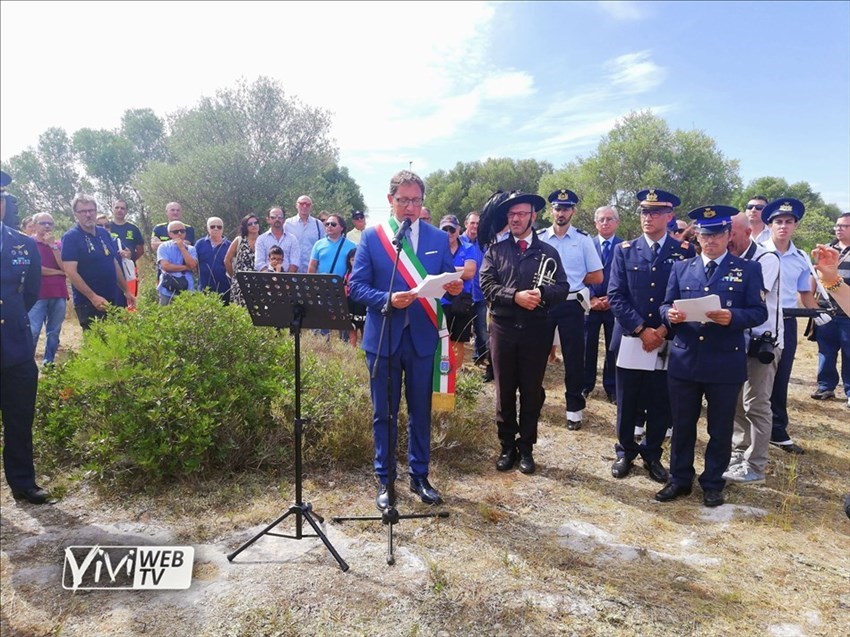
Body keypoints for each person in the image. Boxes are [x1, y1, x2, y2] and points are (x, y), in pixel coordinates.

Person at [348, 170, 463, 510]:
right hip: (383, 337)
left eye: (415, 201)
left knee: (420, 412)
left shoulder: (437, 239)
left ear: (422, 203)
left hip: (422, 338)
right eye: (403, 200)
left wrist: (453, 288)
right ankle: (385, 480)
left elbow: (446, 283)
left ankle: (419, 476)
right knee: (384, 413)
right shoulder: (372, 238)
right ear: (390, 201)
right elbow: (356, 287)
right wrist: (388, 299)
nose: (410, 207)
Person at [658, 206, 767, 507]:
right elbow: (664, 306)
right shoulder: (682, 268)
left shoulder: (747, 269)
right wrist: (671, 315)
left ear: (728, 235)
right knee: (682, 425)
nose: (711, 241)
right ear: (698, 236)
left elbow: (759, 312)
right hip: (685, 359)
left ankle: (713, 482)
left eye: (717, 234)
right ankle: (679, 479)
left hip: (724, 361)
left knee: (719, 428)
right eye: (705, 235)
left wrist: (732, 316)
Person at [607, 188, 695, 484]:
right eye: (644, 212)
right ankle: (625, 451)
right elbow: (616, 296)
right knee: (627, 400)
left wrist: (663, 330)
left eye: (655, 212)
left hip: (666, 339)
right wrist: (642, 330)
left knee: (661, 402)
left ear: (670, 217)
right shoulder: (625, 250)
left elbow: (686, 295)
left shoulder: (683, 252)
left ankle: (652, 453)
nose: (648, 217)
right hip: (632, 339)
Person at [479, 191, 570, 474]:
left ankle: (526, 448)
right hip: (503, 330)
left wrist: (541, 293)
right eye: (511, 214)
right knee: (504, 392)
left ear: (533, 216)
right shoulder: (495, 251)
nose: (515, 219)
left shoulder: (549, 253)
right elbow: (486, 285)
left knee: (532, 392)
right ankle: (507, 447)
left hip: (535, 331)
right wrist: (514, 296)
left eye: (521, 214)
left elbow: (563, 287)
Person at [1, 171, 51, 504]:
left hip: (15, 345)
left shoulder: (23, 243)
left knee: (19, 418)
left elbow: (30, 292)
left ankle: (23, 482)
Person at [723, 212, 783, 485]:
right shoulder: (731, 259)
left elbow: (747, 299)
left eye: (731, 233)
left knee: (756, 404)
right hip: (736, 340)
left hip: (762, 343)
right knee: (735, 401)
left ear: (747, 233)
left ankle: (756, 465)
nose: (727, 239)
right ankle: (738, 454)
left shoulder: (765, 259)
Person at [762, 198, 824, 454]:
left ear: (796, 225)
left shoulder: (800, 258)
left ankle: (777, 429)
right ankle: (749, 431)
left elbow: (804, 294)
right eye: (778, 222)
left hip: (787, 321)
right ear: (770, 225)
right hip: (759, 320)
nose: (783, 226)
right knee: (754, 377)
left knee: (781, 376)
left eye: (789, 222)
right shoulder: (757, 252)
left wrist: (818, 315)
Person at [539, 189, 603, 430]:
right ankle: (535, 401)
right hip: (544, 303)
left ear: (573, 211)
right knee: (536, 355)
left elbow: (597, 275)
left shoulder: (583, 240)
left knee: (574, 359)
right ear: (551, 211)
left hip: (571, 303)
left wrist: (572, 278)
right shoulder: (540, 238)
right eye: (557, 208)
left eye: (566, 209)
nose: (561, 213)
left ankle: (574, 409)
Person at [62, 195, 135, 329]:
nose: (88, 214)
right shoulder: (71, 237)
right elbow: (71, 272)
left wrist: (126, 290)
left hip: (112, 298)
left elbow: (113, 263)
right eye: (83, 211)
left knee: (117, 341)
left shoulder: (103, 233)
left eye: (91, 210)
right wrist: (93, 297)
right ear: (75, 214)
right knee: (97, 345)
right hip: (88, 302)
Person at [583, 205, 623, 403]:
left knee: (613, 348)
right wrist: (591, 298)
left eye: (610, 219)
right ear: (595, 223)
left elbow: (626, 279)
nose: (605, 223)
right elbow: (579, 274)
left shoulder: (625, 247)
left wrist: (611, 298)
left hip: (613, 306)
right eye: (602, 219)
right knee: (586, 345)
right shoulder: (585, 245)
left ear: (617, 222)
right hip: (589, 304)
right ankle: (585, 384)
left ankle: (612, 387)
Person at [810, 212, 850, 403]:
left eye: (844, 226)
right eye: (837, 226)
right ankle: (825, 387)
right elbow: (813, 274)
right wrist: (810, 300)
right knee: (826, 351)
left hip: (847, 313)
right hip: (826, 310)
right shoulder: (827, 249)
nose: (839, 229)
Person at [28, 213, 69, 365]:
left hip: (58, 293)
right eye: (42, 223)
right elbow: (36, 269)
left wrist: (52, 247)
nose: (46, 226)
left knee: (54, 331)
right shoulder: (28, 243)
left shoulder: (58, 245)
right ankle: (27, 362)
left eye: (50, 224)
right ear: (34, 224)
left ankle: (49, 362)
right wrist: (58, 272)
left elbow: (66, 267)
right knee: (33, 331)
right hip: (37, 294)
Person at [439, 214, 477, 368]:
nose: (449, 232)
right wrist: (458, 271)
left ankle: (455, 378)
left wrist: (444, 271)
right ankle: (439, 380)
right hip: (440, 301)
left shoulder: (468, 247)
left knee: (458, 341)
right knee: (439, 341)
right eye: (445, 229)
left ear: (458, 229)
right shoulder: (436, 248)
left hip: (461, 302)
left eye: (452, 229)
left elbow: (470, 272)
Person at [460, 211, 491, 379]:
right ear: (466, 224)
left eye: (478, 224)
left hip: (479, 295)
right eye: (472, 223)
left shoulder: (483, 245)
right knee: (459, 331)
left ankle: (479, 359)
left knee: (481, 330)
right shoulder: (458, 242)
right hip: (461, 296)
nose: (475, 226)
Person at [156, 220, 198, 306]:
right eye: (175, 232)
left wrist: (182, 248)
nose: (179, 233)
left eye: (182, 231)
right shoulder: (163, 247)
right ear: (170, 234)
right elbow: (166, 267)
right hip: (167, 289)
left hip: (187, 289)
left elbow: (193, 265)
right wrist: (186, 267)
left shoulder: (191, 249)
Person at [110, 199, 145, 297]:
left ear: (126, 211)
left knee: (131, 297)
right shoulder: (106, 226)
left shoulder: (133, 228)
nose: (119, 210)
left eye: (122, 208)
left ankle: (131, 312)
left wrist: (130, 257)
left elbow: (140, 250)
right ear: (112, 209)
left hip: (129, 268)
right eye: (117, 207)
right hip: (111, 267)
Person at [226, 214, 261, 307]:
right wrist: (234, 276)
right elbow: (227, 260)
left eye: (256, 223)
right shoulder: (239, 240)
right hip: (240, 285)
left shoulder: (264, 240)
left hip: (259, 284)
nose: (254, 225)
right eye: (250, 224)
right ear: (245, 226)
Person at [195, 217, 232, 303]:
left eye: (219, 227)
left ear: (223, 229)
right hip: (204, 288)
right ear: (207, 228)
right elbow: (195, 264)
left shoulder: (230, 245)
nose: (216, 229)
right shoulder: (199, 244)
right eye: (212, 226)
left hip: (225, 288)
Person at [284, 195, 324, 273]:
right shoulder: (288, 223)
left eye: (308, 204)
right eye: (302, 203)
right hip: (292, 271)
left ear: (311, 207)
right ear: (296, 205)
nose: (305, 206)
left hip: (312, 271)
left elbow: (322, 246)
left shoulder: (318, 224)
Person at [256, 207, 299, 272]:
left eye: (280, 217)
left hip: (288, 280)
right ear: (268, 220)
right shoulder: (261, 239)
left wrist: (285, 279)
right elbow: (259, 263)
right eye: (273, 217)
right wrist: (270, 278)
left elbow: (295, 262)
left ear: (284, 220)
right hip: (266, 280)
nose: (277, 219)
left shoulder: (292, 239)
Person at [344, 248, 366, 348]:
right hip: (351, 303)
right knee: (352, 327)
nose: (355, 262)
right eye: (353, 260)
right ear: (349, 261)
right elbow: (344, 289)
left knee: (364, 327)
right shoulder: (347, 274)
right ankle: (352, 347)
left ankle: (365, 347)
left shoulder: (366, 273)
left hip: (363, 303)